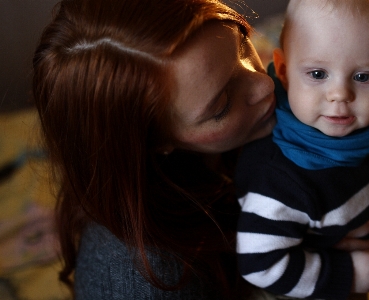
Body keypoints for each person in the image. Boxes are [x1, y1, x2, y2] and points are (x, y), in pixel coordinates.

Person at [32, 0, 278, 299]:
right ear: (155, 142)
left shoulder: (229, 145)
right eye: (223, 104)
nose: (265, 83)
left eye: (241, 47)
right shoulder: (154, 280)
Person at [235, 0, 369, 299]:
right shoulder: (279, 178)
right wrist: (350, 275)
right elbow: (259, 265)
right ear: (282, 70)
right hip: (311, 283)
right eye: (318, 74)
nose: (340, 95)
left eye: (363, 77)